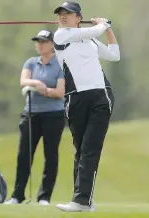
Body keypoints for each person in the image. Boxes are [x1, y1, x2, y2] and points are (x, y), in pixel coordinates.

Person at [52, 1, 120, 212]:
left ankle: (81, 201)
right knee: (81, 150)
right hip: (75, 99)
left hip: (101, 96)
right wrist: (102, 25)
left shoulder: (89, 39)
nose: (63, 16)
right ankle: (84, 200)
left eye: (68, 13)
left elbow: (114, 55)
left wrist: (108, 30)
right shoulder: (60, 36)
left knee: (90, 149)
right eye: (61, 14)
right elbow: (92, 31)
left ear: (79, 17)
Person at [5, 30, 65, 205]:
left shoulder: (60, 64)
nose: (39, 44)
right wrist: (37, 83)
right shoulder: (31, 62)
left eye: (44, 41)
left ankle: (44, 196)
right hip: (31, 114)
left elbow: (60, 92)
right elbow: (23, 81)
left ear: (52, 44)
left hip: (53, 115)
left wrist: (45, 91)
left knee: (50, 156)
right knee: (24, 155)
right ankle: (17, 195)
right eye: (38, 41)